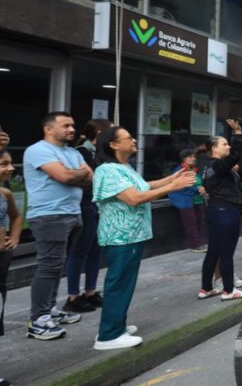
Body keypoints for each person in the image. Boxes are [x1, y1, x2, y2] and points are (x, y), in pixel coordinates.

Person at [92, 126, 195, 350]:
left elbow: (144, 186)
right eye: (128, 138)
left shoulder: (123, 167)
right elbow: (134, 198)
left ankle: (117, 325)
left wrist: (171, 179)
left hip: (131, 236)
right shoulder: (107, 170)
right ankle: (108, 335)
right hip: (120, 237)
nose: (134, 141)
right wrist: (173, 187)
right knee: (118, 283)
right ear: (113, 144)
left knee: (125, 282)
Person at [24, 112, 92, 340]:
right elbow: (64, 176)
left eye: (73, 125)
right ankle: (39, 319)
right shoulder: (38, 150)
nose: (72, 129)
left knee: (58, 264)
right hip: (49, 215)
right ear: (48, 129)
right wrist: (75, 174)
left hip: (73, 213)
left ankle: (50, 308)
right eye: (66, 126)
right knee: (48, 266)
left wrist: (75, 174)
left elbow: (88, 177)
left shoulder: (72, 152)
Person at [64, 118, 111, 314]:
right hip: (84, 203)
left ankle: (90, 291)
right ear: (99, 133)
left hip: (98, 204)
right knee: (79, 250)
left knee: (95, 250)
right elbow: (87, 179)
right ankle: (73, 295)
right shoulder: (80, 153)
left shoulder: (102, 154)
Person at [199, 120, 242, 301]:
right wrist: (237, 133)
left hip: (217, 210)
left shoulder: (212, 167)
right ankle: (228, 290)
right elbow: (234, 157)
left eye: (228, 143)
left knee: (214, 250)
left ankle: (206, 288)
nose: (228, 146)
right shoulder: (217, 165)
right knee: (226, 252)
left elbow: (232, 184)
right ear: (214, 149)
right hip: (225, 211)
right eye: (224, 144)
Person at [0, 147, 24, 386]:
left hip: (2, 258)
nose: (10, 168)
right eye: (3, 164)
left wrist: (14, 237)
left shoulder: (5, 193)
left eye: (10, 163)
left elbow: (16, 217)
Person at [169, 148, 207, 252]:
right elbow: (183, 185)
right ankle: (195, 245)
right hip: (185, 200)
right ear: (184, 159)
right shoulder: (180, 170)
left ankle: (200, 243)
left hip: (198, 200)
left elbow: (199, 182)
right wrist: (197, 188)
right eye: (190, 157)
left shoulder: (194, 169)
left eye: (194, 157)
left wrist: (203, 188)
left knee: (200, 221)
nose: (193, 159)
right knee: (191, 223)